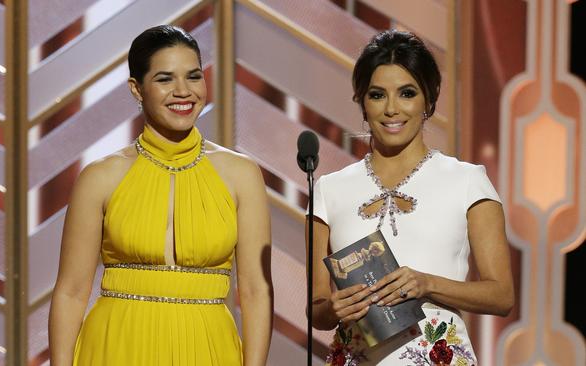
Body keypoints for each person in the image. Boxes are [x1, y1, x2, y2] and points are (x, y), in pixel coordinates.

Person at [48, 25, 273, 366]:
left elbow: (256, 291)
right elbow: (71, 291)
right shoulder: (100, 177)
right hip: (116, 347)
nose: (183, 92)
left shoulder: (241, 174)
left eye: (194, 76)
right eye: (165, 79)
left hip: (208, 349)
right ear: (137, 89)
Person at [309, 30, 514, 365]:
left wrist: (427, 283)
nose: (392, 109)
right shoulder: (328, 189)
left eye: (407, 93)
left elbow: (501, 295)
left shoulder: (466, 180)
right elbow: (317, 309)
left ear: (429, 101)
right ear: (361, 101)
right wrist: (333, 307)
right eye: (377, 95)